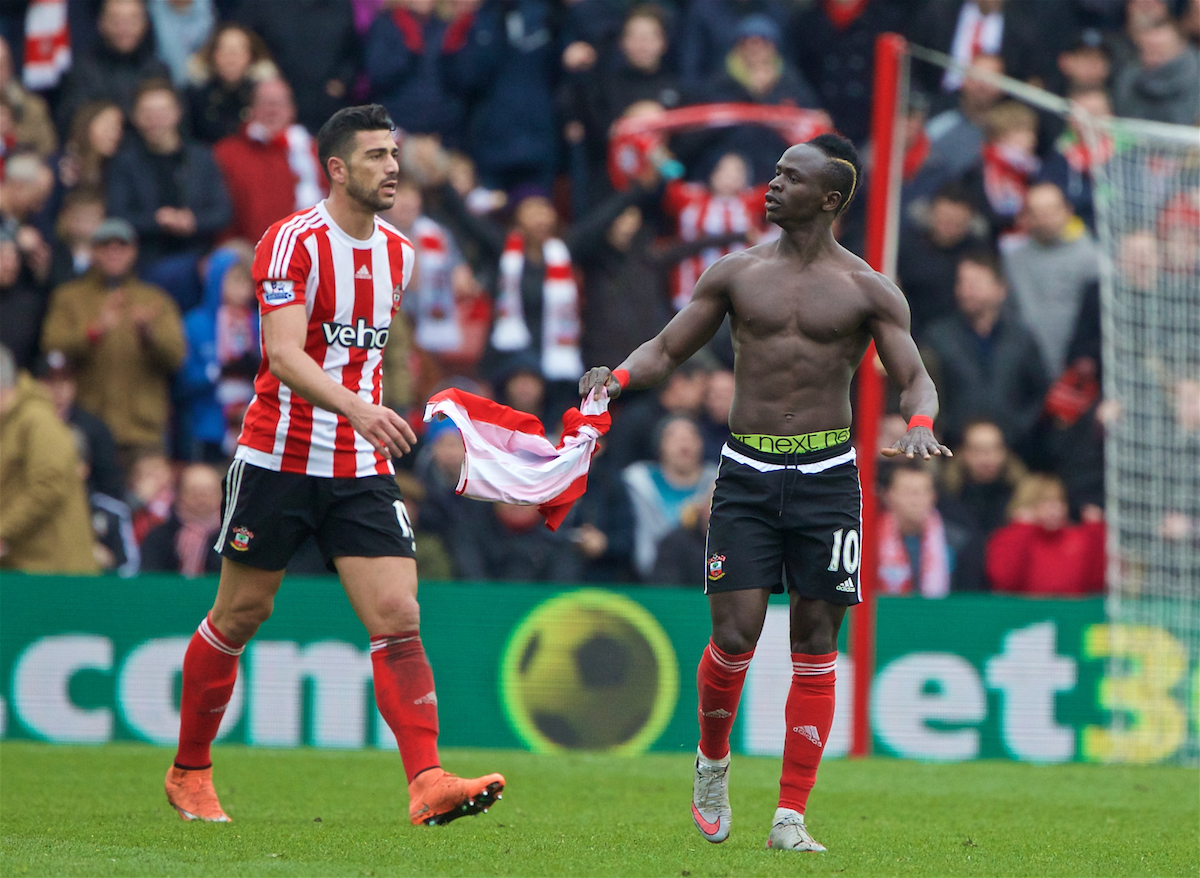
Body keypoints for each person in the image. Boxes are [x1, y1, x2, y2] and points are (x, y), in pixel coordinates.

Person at [579, 133, 949, 853]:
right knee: (734, 635)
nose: (771, 185)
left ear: (830, 198)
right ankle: (712, 765)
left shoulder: (869, 288)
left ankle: (789, 817)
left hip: (828, 481)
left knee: (815, 642)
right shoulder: (735, 272)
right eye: (774, 173)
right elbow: (665, 348)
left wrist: (922, 423)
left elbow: (914, 376)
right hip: (745, 475)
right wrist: (616, 378)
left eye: (789, 177)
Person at [165, 104, 504, 827]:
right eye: (377, 155)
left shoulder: (400, 254)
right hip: (278, 457)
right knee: (241, 612)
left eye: (395, 152)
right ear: (338, 169)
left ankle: (427, 781)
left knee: (398, 613)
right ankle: (189, 769)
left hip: (358, 465)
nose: (392, 167)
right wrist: (357, 407)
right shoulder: (290, 243)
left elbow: (374, 354)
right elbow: (283, 355)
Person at [39, 217, 185, 462]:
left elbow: (177, 358)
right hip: (86, 426)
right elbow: (51, 349)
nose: (113, 253)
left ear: (134, 252)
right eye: (105, 246)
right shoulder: (69, 298)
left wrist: (149, 335)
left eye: (121, 246)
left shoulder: (155, 299)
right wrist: (93, 332)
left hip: (142, 430)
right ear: (93, 251)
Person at [0, 344, 98, 574]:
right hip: (26, 565)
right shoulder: (10, 423)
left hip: (55, 571)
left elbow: (49, 484)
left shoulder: (36, 419)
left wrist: (3, 528)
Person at [212, 77, 326, 244]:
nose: (273, 110)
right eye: (265, 103)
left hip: (312, 248)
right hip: (251, 251)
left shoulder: (314, 151)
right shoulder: (228, 154)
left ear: (292, 110)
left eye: (279, 103)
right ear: (251, 109)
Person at [140, 462, 224, 576]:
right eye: (195, 491)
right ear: (181, 494)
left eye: (208, 491)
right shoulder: (160, 536)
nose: (202, 498)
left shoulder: (230, 537)